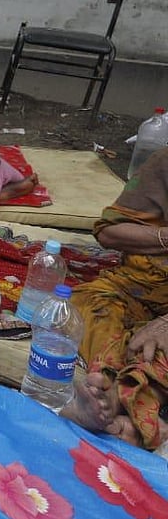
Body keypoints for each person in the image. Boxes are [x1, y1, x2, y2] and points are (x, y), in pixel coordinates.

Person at [60, 148, 168, 451]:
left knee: (158, 349)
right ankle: (104, 388)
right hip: (140, 285)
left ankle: (127, 405)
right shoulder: (165, 163)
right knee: (88, 303)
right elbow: (110, 233)